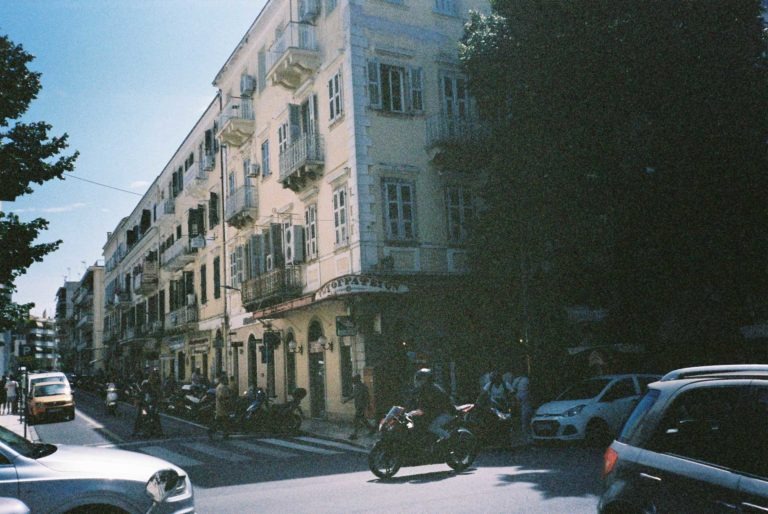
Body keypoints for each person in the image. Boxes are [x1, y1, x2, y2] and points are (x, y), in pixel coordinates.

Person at [407, 368, 455, 443]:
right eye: (417, 378)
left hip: (446, 413)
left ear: (427, 379)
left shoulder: (433, 390)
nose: (417, 380)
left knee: (432, 427)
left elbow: (432, 406)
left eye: (420, 378)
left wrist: (416, 412)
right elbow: (411, 403)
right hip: (435, 413)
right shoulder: (420, 390)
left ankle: (451, 441)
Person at [345, 374, 376, 440]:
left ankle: (355, 434)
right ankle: (372, 429)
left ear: (357, 380)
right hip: (358, 405)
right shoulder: (356, 387)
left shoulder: (363, 387)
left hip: (361, 406)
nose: (352, 381)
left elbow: (367, 397)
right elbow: (353, 395)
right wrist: (346, 400)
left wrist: (368, 405)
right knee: (363, 419)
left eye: (354, 380)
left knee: (356, 420)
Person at [208, 373, 233, 440]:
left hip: (223, 407)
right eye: (226, 379)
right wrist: (226, 403)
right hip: (222, 407)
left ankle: (225, 434)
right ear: (223, 380)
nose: (227, 381)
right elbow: (221, 397)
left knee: (223, 421)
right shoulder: (221, 387)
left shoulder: (223, 387)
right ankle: (212, 430)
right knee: (222, 420)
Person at [511, 369, 532, 441]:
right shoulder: (527, 380)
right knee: (526, 418)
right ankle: (527, 436)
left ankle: (526, 436)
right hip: (525, 401)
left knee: (523, 419)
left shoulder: (516, 380)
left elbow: (513, 390)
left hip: (520, 401)